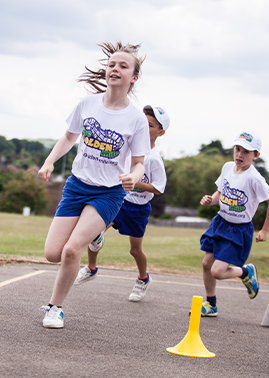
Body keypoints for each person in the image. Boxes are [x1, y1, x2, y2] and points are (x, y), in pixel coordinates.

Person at [38, 42, 150, 328]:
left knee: (72, 250)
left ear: (133, 77)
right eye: (112, 64)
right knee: (53, 253)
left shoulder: (136, 118)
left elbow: (139, 162)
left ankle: (55, 308)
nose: (115, 68)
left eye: (123, 66)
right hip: (77, 186)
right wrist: (50, 161)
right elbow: (68, 138)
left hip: (109, 193)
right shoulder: (87, 104)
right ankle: (96, 237)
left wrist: (134, 177)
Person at [73, 105, 170, 303]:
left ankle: (143, 279)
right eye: (143, 121)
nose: (144, 126)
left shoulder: (153, 159)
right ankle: (91, 269)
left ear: (160, 132)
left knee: (134, 250)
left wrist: (135, 182)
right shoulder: (128, 147)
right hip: (118, 200)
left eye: (150, 125)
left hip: (138, 208)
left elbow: (159, 188)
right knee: (93, 234)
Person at [198, 130, 269, 317]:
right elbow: (221, 192)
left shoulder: (255, 178)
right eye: (237, 149)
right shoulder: (227, 167)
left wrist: (265, 230)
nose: (239, 155)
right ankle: (211, 304)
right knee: (206, 263)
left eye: (246, 152)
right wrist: (211, 200)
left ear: (256, 155)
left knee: (217, 271)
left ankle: (245, 272)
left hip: (238, 230)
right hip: (220, 223)